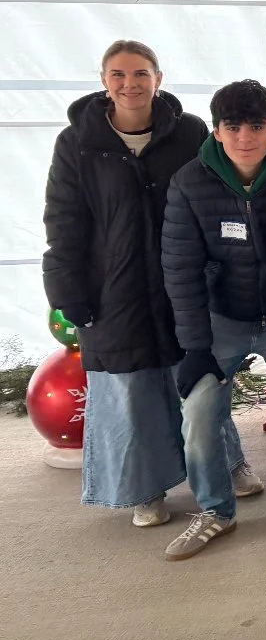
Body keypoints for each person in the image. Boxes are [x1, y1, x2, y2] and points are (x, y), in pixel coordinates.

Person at [43, 40, 208, 526]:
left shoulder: (191, 132)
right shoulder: (76, 142)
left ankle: (222, 467)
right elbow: (63, 220)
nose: (129, 84)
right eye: (118, 75)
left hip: (182, 278)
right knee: (129, 388)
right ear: (103, 81)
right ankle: (145, 489)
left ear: (158, 78)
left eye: (140, 74)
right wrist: (65, 290)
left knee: (198, 380)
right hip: (113, 285)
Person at [161, 80, 266, 560]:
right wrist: (194, 347)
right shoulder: (189, 183)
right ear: (216, 130)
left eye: (256, 126)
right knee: (197, 412)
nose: (245, 137)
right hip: (219, 318)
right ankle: (215, 510)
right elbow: (180, 269)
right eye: (233, 126)